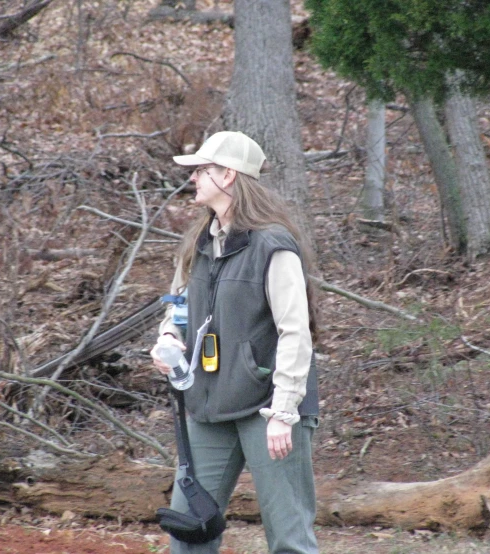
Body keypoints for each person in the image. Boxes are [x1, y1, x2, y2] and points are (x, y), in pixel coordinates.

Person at [151, 131, 320, 554]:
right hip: (208, 404)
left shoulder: (272, 244)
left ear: (228, 175)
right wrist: (170, 336)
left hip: (268, 406)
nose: (192, 178)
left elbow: (295, 331)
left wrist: (283, 411)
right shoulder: (198, 242)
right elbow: (179, 307)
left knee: (288, 540)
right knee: (189, 530)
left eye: (201, 170)